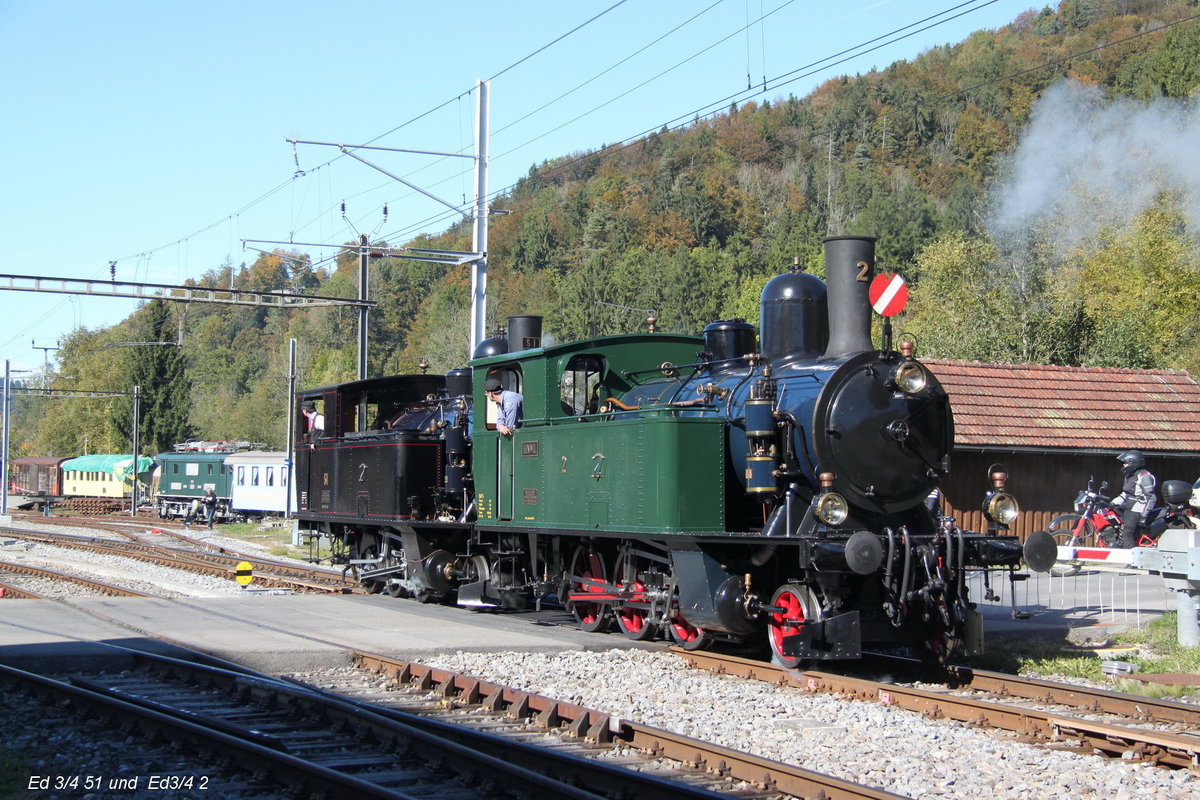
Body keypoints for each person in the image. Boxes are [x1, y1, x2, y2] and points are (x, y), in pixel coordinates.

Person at [1113, 450, 1157, 548]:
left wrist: (1144, 515)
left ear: (1133, 462)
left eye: (1126, 462)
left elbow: (1151, 497)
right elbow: (1126, 494)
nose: (1124, 465)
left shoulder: (1144, 476)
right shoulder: (1129, 476)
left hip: (1138, 507)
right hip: (1128, 506)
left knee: (1127, 533)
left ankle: (1131, 560)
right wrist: (1113, 503)